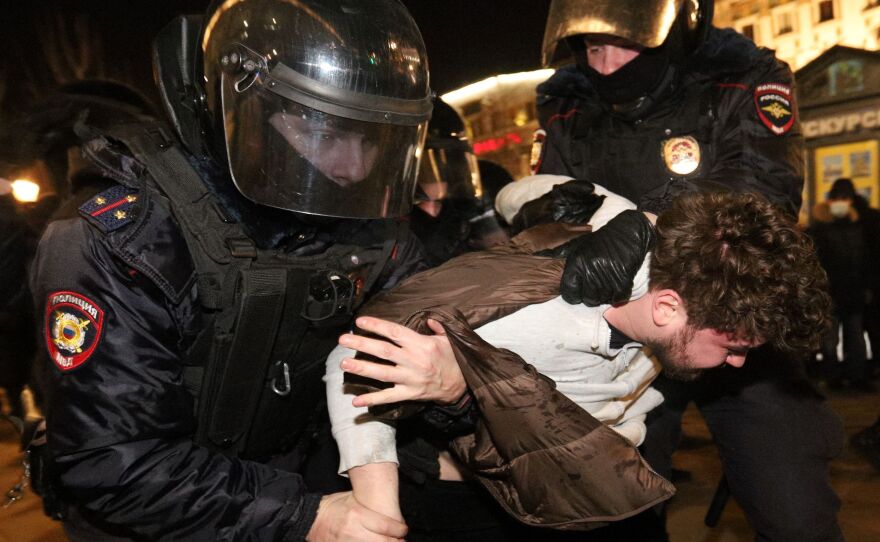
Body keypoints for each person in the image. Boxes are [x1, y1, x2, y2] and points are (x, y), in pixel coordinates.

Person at [28, 0, 431, 540]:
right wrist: (307, 516)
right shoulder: (121, 242)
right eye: (324, 135)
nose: (353, 168)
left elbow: (428, 324)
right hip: (155, 518)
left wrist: (449, 378)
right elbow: (117, 460)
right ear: (239, 115)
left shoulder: (367, 230)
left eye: (366, 139)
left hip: (297, 485)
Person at [518, 1, 845, 540]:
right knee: (615, 508)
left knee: (793, 506)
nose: (605, 66)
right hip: (627, 334)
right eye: (593, 48)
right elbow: (553, 202)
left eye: (624, 45)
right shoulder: (566, 101)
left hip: (739, 321)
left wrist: (645, 223)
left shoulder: (744, 76)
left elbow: (765, 189)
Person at [331, 188, 830, 539]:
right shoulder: (530, 319)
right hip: (491, 502)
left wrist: (642, 213)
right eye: (732, 347)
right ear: (667, 309)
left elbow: (524, 190)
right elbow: (352, 356)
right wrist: (376, 504)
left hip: (608, 487)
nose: (738, 363)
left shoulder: (668, 273)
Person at [409, 97, 505, 266]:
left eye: (443, 167)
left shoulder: (471, 206)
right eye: (426, 171)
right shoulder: (387, 235)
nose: (431, 209)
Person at [808, 178, 872, 391]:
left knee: (854, 337)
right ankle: (833, 376)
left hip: (851, 291)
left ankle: (856, 376)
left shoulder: (856, 227)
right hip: (830, 293)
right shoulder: (819, 230)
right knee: (830, 339)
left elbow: (862, 259)